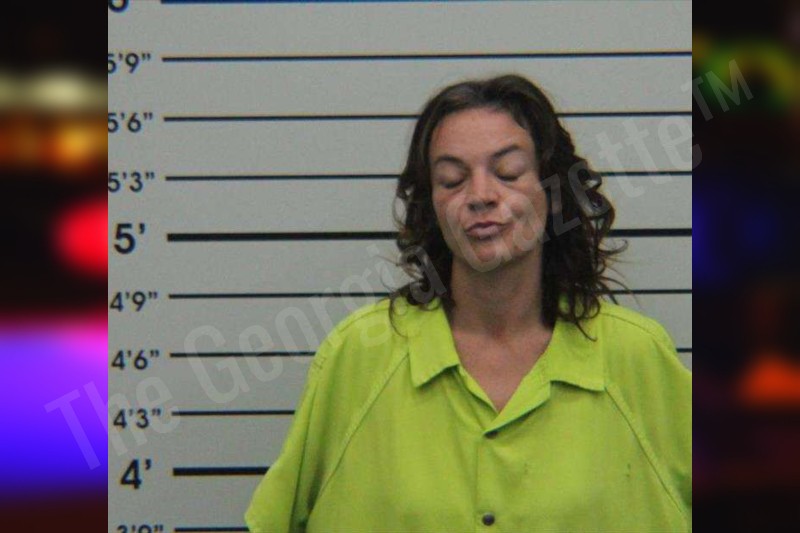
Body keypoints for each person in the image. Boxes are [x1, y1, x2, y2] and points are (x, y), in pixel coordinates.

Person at [245, 74, 691, 532]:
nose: (480, 196)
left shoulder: (636, 359)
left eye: (508, 172)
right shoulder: (358, 356)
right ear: (432, 205)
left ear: (553, 189)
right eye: (452, 180)